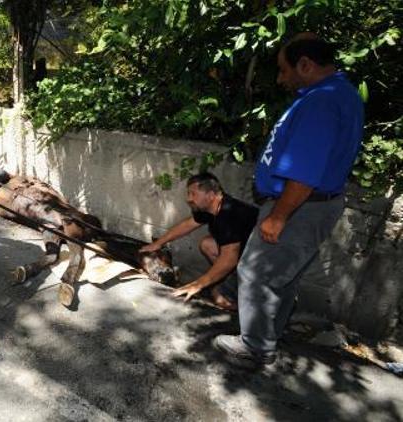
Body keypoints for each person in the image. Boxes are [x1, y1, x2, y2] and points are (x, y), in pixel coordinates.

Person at [213, 34, 365, 369]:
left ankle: (253, 348)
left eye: (284, 70)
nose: (281, 79)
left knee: (255, 271)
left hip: (298, 205)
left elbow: (304, 170)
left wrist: (278, 215)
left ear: (305, 65)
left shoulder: (322, 101)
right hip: (311, 204)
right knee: (282, 275)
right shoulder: (339, 94)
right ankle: (269, 335)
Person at [140, 172, 258, 309]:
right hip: (244, 256)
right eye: (188, 193)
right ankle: (235, 283)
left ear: (211, 195)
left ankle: (251, 306)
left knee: (220, 299)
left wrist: (197, 285)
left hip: (262, 262)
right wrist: (157, 243)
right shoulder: (211, 207)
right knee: (207, 244)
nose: (188, 199)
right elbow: (187, 225)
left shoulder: (229, 214)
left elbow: (229, 259)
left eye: (193, 194)